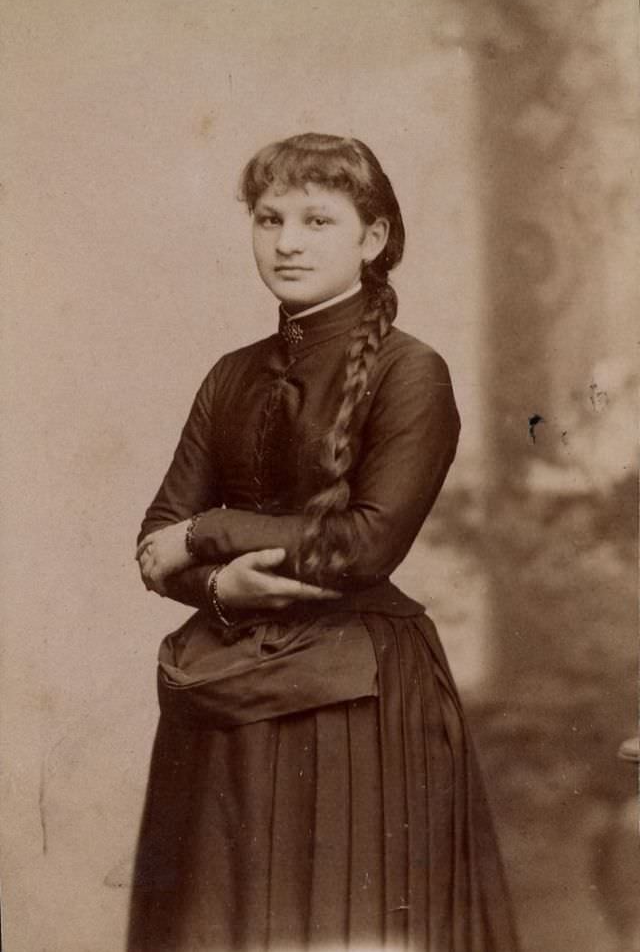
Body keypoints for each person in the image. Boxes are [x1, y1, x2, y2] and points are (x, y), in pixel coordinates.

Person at [128, 133, 519, 952]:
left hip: (356, 698)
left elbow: (365, 544)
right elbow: (154, 539)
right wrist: (219, 588)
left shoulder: (413, 372)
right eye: (270, 219)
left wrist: (208, 535)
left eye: (317, 219)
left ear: (372, 239)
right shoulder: (230, 373)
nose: (288, 241)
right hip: (225, 697)